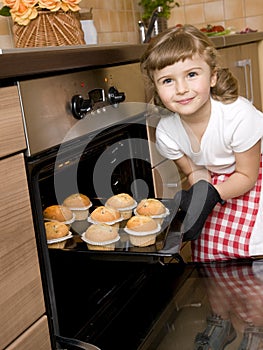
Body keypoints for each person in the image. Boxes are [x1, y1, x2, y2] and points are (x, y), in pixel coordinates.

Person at [140, 24, 263, 262]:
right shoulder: (167, 132)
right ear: (155, 87)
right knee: (208, 252)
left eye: (192, 75)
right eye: (167, 80)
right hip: (217, 181)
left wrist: (212, 195)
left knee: (253, 251)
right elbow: (196, 170)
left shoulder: (239, 116)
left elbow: (247, 176)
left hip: (253, 176)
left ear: (213, 76)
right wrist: (200, 196)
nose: (181, 89)